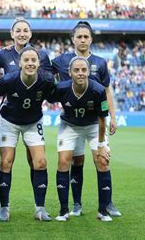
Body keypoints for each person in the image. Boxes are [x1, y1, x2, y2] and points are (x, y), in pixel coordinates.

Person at [51, 21, 121, 217]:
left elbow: (107, 91)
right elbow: (41, 66)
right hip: (70, 120)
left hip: (94, 120)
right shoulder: (61, 60)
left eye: (86, 37)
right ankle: (76, 204)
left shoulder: (99, 62)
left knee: (102, 159)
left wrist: (112, 117)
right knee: (76, 161)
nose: (82, 40)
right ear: (73, 39)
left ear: (91, 39)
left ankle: (107, 204)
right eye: (79, 37)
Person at [0, 18, 52, 217]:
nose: (31, 63)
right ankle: (4, 208)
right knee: (6, 162)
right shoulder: (5, 66)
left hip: (33, 120)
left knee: (40, 162)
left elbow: (53, 89)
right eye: (18, 30)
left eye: (26, 30)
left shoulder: (44, 63)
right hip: (9, 120)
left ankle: (40, 209)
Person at [48, 57, 113, 222]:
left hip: (93, 127)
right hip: (69, 125)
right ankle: (64, 211)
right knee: (63, 162)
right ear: (69, 73)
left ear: (89, 72)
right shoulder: (62, 88)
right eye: (76, 70)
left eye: (84, 70)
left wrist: (100, 145)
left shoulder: (98, 90)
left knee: (102, 161)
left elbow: (102, 119)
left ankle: (103, 211)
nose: (80, 73)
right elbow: (47, 96)